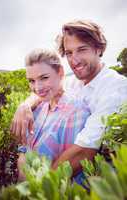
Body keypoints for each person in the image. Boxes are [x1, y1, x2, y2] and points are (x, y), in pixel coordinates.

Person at [12, 20, 127, 176]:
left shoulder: (116, 88)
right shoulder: (74, 81)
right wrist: (24, 106)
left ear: (98, 49)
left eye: (82, 49)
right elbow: (45, 90)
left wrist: (38, 189)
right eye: (69, 53)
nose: (74, 60)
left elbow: (85, 150)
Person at [17, 49, 90, 183]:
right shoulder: (39, 107)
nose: (37, 88)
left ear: (60, 72)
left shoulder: (76, 112)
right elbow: (24, 148)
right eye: (31, 81)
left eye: (44, 78)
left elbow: (69, 169)